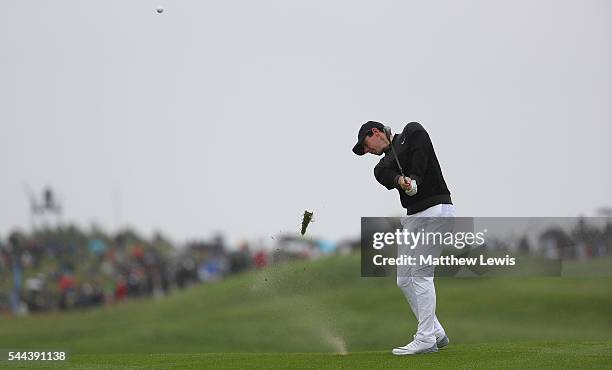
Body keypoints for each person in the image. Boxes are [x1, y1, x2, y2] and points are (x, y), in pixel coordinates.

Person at [352, 120, 455, 355]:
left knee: (420, 274)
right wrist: (403, 182)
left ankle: (426, 338)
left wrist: (416, 179)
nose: (367, 152)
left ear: (375, 132)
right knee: (404, 279)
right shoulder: (380, 167)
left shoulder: (413, 131)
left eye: (366, 145)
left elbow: (422, 154)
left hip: (436, 209)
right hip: (414, 217)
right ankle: (436, 331)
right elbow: (391, 177)